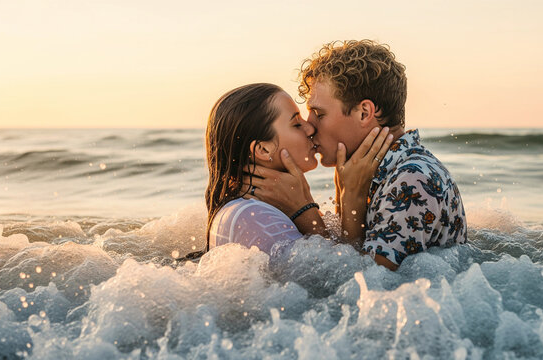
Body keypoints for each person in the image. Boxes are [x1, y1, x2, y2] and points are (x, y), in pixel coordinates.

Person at [251, 40, 467, 270]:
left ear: (364, 113)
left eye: (318, 113)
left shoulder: (411, 180)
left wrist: (304, 211)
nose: (310, 126)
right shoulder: (370, 169)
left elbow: (364, 286)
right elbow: (350, 255)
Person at [185, 83, 392, 260]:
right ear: (263, 150)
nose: (310, 128)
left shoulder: (256, 208)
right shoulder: (254, 217)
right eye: (296, 123)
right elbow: (339, 280)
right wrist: (311, 210)